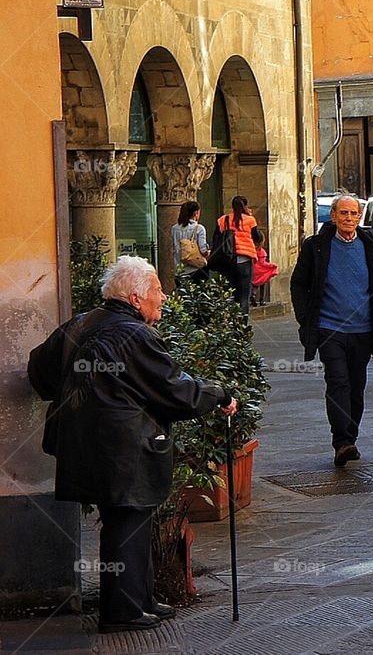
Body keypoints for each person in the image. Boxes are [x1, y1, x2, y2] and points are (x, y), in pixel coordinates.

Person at [27, 256, 236, 634]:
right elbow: (176, 391)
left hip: (87, 444)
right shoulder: (135, 335)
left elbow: (38, 369)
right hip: (123, 446)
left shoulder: (82, 322)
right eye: (158, 289)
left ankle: (139, 597)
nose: (164, 297)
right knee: (127, 519)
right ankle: (123, 610)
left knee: (129, 518)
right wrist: (219, 393)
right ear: (137, 297)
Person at [290, 193, 373, 467]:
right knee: (338, 381)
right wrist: (306, 319)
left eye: (353, 214)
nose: (348, 219)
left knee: (357, 386)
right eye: (343, 213)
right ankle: (342, 442)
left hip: (364, 330)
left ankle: (351, 437)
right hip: (329, 328)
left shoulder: (371, 245)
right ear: (333, 216)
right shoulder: (316, 247)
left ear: (359, 217)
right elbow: (298, 284)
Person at [215, 195, 258, 315]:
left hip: (227, 261)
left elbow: (216, 238)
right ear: (245, 206)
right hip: (245, 260)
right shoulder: (250, 220)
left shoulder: (223, 220)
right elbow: (257, 237)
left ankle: (230, 322)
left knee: (229, 293)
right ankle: (242, 325)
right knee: (243, 296)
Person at [171, 200, 209, 285]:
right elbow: (203, 250)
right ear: (196, 213)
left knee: (183, 296)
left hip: (180, 269)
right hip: (196, 269)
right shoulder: (199, 228)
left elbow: (175, 247)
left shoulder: (174, 228)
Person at [252, 231, 279, 307]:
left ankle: (253, 295)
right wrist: (272, 265)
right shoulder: (262, 252)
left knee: (255, 285)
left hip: (253, 270)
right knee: (263, 283)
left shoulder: (252, 250)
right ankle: (262, 300)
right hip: (261, 271)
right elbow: (263, 263)